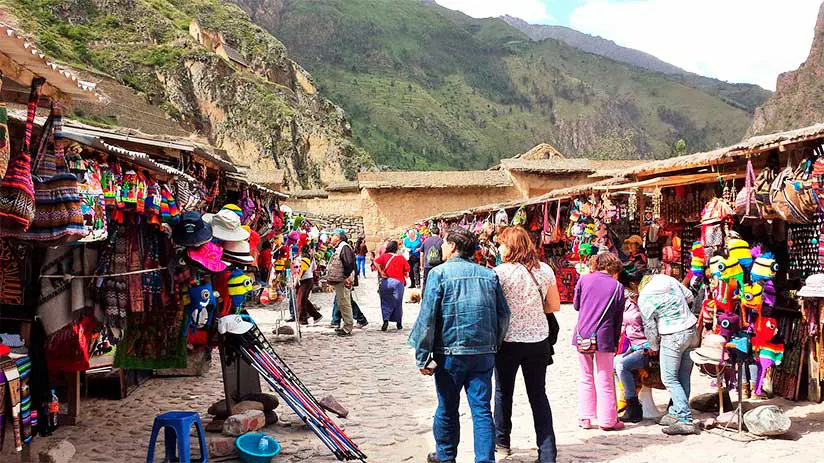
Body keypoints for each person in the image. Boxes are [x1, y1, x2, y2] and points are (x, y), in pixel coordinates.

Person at [409, 227, 510, 463]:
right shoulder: (489, 275)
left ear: (453, 246)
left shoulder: (439, 274)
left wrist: (422, 356)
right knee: (482, 410)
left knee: (446, 408)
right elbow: (504, 315)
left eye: (444, 243)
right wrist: (493, 344)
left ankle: (446, 457)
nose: (441, 248)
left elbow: (427, 319)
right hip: (483, 353)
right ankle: (484, 459)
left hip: (450, 353)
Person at [493, 227, 560, 462]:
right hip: (537, 341)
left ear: (511, 246)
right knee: (538, 395)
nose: (499, 249)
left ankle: (502, 442)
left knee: (503, 393)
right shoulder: (544, 271)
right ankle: (548, 451)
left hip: (508, 342)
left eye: (502, 244)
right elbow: (554, 305)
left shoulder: (499, 273)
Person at [638, 273, 700, 435]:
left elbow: (649, 326)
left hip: (672, 335)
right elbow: (688, 296)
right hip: (691, 330)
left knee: (670, 378)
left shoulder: (644, 297)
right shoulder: (667, 279)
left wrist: (654, 346)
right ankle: (676, 412)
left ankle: (685, 419)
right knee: (683, 375)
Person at [573, 252, 626, 431]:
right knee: (605, 378)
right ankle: (608, 420)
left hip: (582, 334)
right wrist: (616, 340)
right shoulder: (617, 287)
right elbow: (618, 318)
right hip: (604, 337)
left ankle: (585, 417)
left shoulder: (584, 280)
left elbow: (576, 305)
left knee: (585, 376)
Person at [614, 265, 648, 423]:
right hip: (633, 345)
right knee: (615, 362)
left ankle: (633, 407)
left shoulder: (646, 301)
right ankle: (627, 396)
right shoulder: (627, 302)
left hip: (645, 346)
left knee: (622, 365)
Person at [375, 240, 410, 331]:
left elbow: (376, 262)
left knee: (385, 302)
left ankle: (385, 320)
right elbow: (407, 269)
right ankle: (398, 323)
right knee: (398, 303)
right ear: (396, 249)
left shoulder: (384, 256)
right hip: (398, 282)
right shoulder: (401, 258)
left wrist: (381, 272)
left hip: (386, 282)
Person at [327, 228, 357, 336]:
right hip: (340, 280)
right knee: (342, 303)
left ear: (338, 237)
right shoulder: (341, 247)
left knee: (345, 303)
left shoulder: (344, 247)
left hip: (343, 281)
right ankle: (346, 325)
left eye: (333, 235)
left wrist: (345, 277)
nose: (331, 238)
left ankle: (348, 327)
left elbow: (348, 263)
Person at [295, 246, 323, 325]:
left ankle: (303, 319)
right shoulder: (309, 258)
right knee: (303, 300)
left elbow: (300, 271)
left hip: (305, 280)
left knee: (300, 301)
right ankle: (316, 315)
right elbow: (314, 268)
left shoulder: (301, 259)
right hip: (308, 279)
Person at [421, 226, 445, 293]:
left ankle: (424, 295)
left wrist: (422, 265)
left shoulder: (426, 241)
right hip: (438, 265)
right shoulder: (442, 241)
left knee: (426, 281)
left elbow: (421, 255)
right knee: (438, 282)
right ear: (439, 232)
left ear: (431, 232)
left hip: (427, 265)